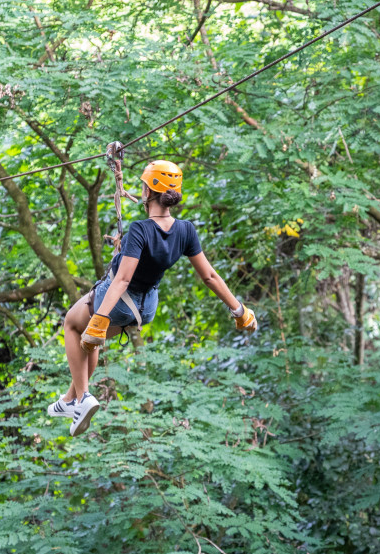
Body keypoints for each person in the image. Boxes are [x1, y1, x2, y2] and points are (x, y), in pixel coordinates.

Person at [50, 159, 257, 436]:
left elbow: (122, 279)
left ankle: (83, 396)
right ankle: (68, 400)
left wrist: (99, 319)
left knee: (73, 324)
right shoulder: (185, 230)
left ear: (147, 193)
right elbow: (210, 277)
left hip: (118, 301)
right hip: (145, 309)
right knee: (92, 344)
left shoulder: (140, 229)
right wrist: (239, 311)